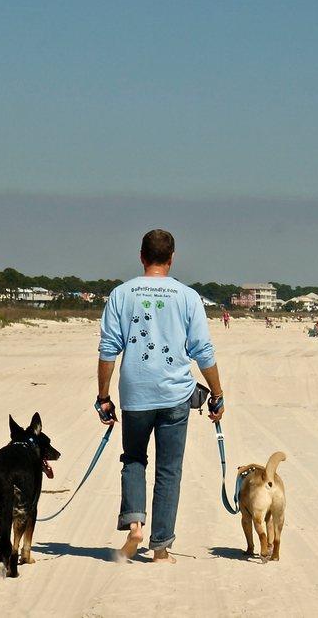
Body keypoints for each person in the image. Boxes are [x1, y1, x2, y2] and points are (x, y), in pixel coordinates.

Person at [96, 229, 224, 564]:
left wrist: (103, 397)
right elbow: (203, 351)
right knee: (169, 470)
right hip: (175, 396)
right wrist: (218, 393)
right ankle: (160, 549)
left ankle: (135, 525)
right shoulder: (187, 296)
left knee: (134, 459)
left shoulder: (121, 294)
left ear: (141, 256)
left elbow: (109, 349)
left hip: (135, 395)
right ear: (171, 258)